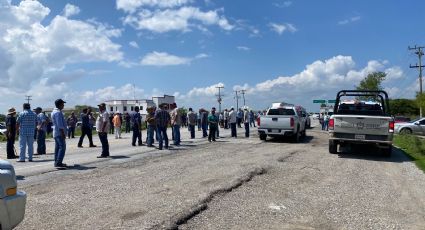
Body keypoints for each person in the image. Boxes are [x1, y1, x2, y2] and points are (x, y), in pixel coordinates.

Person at [51, 99, 67, 167]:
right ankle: (59, 162)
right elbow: (59, 124)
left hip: (57, 132)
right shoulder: (58, 112)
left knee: (57, 148)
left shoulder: (54, 111)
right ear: (60, 104)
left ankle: (56, 161)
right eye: (63, 104)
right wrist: (62, 133)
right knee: (62, 147)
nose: (63, 105)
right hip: (59, 133)